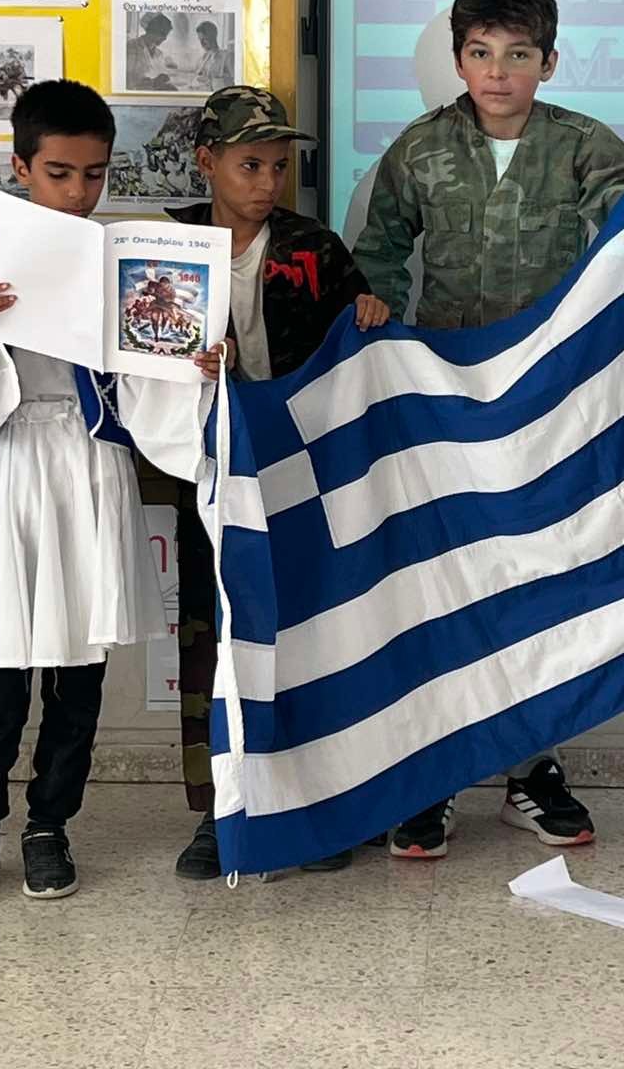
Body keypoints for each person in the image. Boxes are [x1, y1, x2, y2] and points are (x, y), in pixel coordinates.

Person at [353, 0, 624, 859]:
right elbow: (378, 252)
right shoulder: (418, 150)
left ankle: (531, 768)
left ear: (548, 61)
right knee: (447, 585)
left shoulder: (583, 148)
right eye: (480, 53)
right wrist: (375, 305)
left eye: (517, 55)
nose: (497, 72)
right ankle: (432, 773)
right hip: (446, 404)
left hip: (551, 400)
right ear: (458, 58)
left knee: (540, 580)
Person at [0, 81, 168, 906]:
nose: (79, 192)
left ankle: (51, 823)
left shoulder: (126, 260)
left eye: (94, 174)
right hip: (3, 463)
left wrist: (185, 358)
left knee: (78, 666)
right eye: (59, 173)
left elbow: (146, 381)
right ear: (20, 167)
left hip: (86, 462)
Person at [167, 85, 390, 881]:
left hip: (301, 474)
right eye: (249, 165)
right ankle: (220, 811)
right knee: (216, 638)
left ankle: (315, 805)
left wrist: (370, 312)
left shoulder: (313, 247)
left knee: (310, 634)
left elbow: (361, 340)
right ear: (207, 162)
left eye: (278, 166)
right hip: (211, 476)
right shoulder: (168, 248)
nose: (267, 182)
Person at [126, 11, 176, 91]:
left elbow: (158, 76)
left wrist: (163, 79)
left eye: (166, 35)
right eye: (162, 33)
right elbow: (128, 81)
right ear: (151, 30)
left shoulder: (159, 54)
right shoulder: (131, 47)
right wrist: (153, 82)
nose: (164, 38)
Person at [192, 21, 228, 92]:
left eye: (204, 39)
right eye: (200, 40)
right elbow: (197, 77)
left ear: (212, 37)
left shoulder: (226, 57)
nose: (202, 43)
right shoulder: (203, 58)